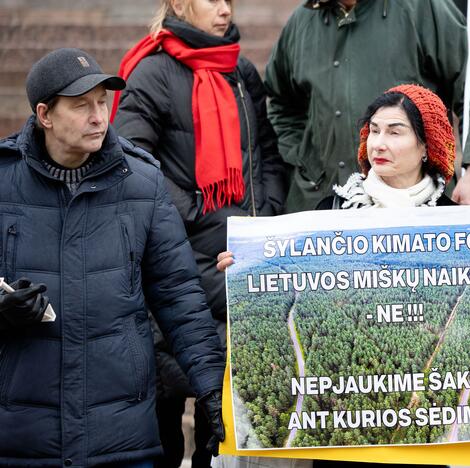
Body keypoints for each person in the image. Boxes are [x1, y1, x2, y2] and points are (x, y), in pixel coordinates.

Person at [0, 48, 225, 468]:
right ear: (45, 115)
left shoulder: (143, 181)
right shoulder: (3, 181)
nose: (99, 116)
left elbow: (179, 297)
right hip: (22, 437)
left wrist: (212, 390)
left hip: (122, 438)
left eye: (103, 102)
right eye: (81, 105)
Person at [215, 84, 454, 468]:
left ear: (427, 146)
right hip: (345, 414)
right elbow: (291, 282)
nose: (379, 142)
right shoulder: (333, 211)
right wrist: (245, 268)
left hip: (422, 416)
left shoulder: (457, 221)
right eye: (374, 130)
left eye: (395, 131)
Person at [111, 1, 288, 467]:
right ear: (179, 5)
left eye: (229, 0)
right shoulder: (151, 73)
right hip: (179, 257)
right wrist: (190, 210)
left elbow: (265, 149)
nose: (224, 9)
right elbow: (129, 156)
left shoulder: (240, 71)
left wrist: (266, 208)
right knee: (166, 407)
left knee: (223, 417)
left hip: (238, 259)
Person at [265, 0, 470, 213]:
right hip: (323, 205)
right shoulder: (301, 22)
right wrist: (303, 158)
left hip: (420, 209)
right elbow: (279, 102)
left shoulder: (422, 7)